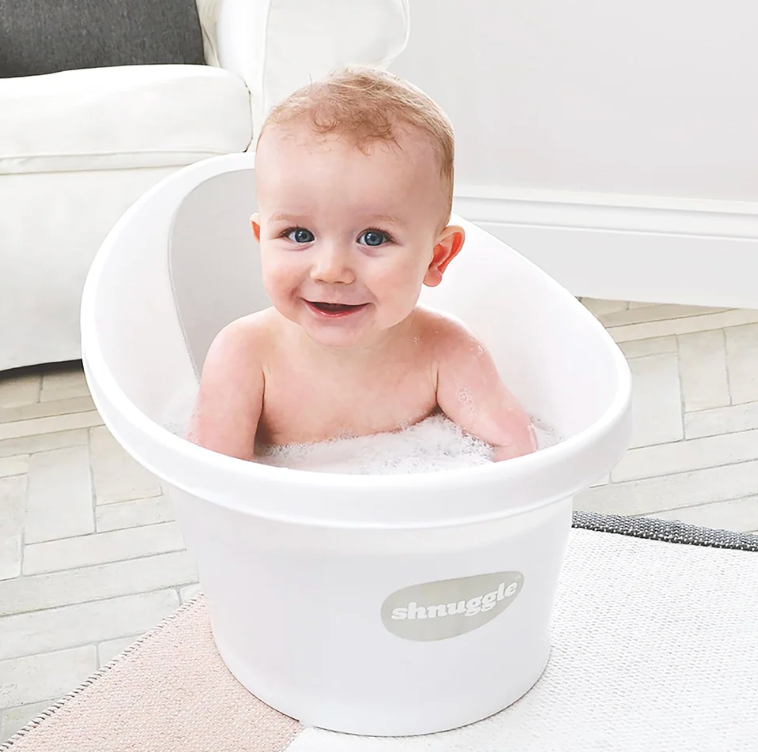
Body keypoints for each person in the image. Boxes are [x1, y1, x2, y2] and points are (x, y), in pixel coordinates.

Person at [188, 67, 536, 463]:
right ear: (261, 239)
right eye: (299, 234)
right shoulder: (244, 356)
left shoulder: (447, 352)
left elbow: (519, 452)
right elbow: (212, 479)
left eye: (373, 238)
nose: (330, 270)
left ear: (436, 257)